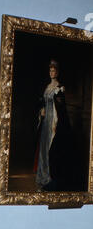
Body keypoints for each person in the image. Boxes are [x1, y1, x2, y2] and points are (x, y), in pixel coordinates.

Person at [35, 60, 71, 190]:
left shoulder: (59, 88)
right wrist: (42, 110)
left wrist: (56, 123)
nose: (52, 72)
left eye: (54, 70)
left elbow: (61, 109)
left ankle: (50, 179)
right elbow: (43, 103)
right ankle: (43, 177)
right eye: (50, 70)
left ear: (58, 72)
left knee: (51, 149)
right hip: (45, 122)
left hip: (53, 122)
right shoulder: (47, 87)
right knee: (43, 149)